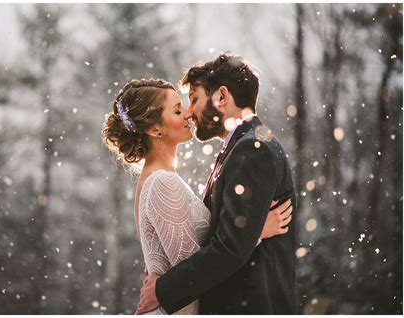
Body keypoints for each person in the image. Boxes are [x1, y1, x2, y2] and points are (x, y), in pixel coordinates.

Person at [102, 77, 293, 314]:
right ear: (155, 129)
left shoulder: (159, 178)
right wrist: (255, 231)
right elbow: (195, 269)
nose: (188, 115)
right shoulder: (162, 182)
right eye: (177, 110)